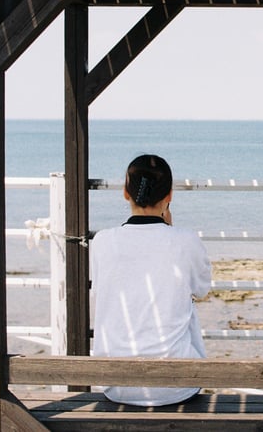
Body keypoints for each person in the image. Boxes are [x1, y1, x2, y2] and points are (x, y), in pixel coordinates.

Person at [90, 154, 211, 406]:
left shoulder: (102, 241)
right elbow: (202, 290)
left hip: (116, 386)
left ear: (125, 192)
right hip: (177, 386)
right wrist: (170, 232)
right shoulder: (186, 240)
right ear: (169, 195)